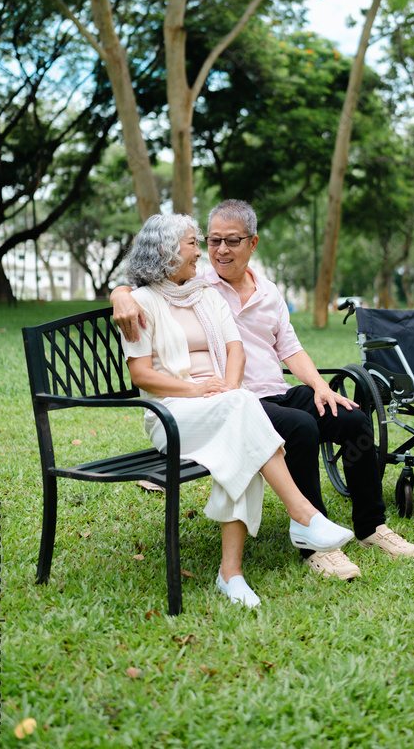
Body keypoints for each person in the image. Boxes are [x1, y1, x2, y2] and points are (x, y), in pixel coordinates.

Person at [112, 200, 414, 581]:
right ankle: (316, 545)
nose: (220, 251)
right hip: (234, 402)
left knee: (353, 418)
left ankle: (371, 526)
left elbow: (290, 348)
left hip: (274, 391)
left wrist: (320, 386)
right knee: (301, 429)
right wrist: (119, 293)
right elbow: (147, 278)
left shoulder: (268, 292)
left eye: (232, 241)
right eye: (212, 241)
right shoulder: (198, 282)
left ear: (253, 243)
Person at [118, 213, 354, 608]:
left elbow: (235, 349)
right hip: (173, 416)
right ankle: (302, 516)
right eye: (193, 243)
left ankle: (233, 573)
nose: (201, 253)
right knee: (243, 415)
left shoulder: (205, 295)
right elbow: (142, 375)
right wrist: (198, 390)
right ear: (165, 250)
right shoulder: (141, 303)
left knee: (240, 424)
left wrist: (228, 388)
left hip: (222, 404)